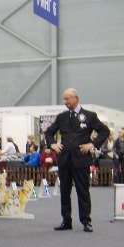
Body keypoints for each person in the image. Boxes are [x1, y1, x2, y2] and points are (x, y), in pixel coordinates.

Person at [43, 88, 109, 233]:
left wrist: (91, 145)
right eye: (64, 99)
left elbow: (104, 131)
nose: (65, 102)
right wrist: (53, 144)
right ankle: (66, 220)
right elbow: (48, 132)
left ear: (76, 98)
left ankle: (86, 221)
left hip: (81, 160)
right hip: (64, 159)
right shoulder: (61, 117)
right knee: (65, 191)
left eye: (67, 99)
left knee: (83, 191)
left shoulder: (90, 116)